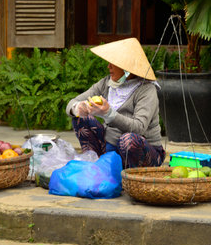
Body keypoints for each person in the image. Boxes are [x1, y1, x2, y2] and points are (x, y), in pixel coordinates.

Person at [66, 38, 166, 168]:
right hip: (110, 148)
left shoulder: (146, 89)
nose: (109, 66)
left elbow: (139, 127)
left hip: (142, 152)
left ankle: (130, 176)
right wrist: (78, 108)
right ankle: (95, 165)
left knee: (128, 140)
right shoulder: (106, 83)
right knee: (80, 119)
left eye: (113, 63)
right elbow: (71, 103)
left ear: (126, 68)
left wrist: (108, 114)